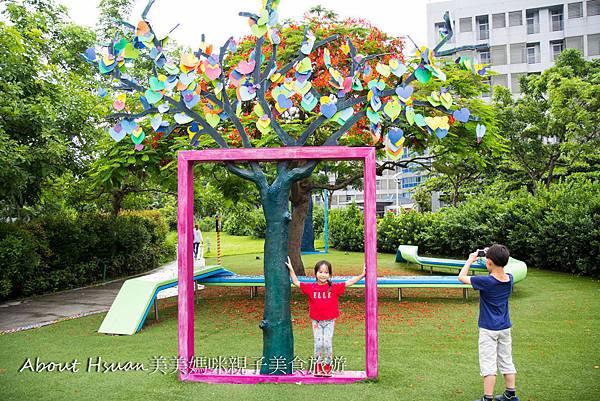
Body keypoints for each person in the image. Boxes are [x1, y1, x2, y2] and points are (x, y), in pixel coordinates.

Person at [286, 257, 366, 377]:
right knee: (318, 344)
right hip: (316, 322)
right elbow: (296, 282)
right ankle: (318, 367)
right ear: (316, 273)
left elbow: (349, 282)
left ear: (330, 275)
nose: (323, 275)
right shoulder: (311, 288)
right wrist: (291, 269)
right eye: (320, 272)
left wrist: (362, 274)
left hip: (329, 321)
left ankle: (327, 366)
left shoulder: (333, 287)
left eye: (326, 272)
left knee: (327, 343)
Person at [458, 244, 519, 401]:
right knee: (506, 360)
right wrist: (489, 253)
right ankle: (510, 394)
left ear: (489, 262)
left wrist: (470, 260)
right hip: (505, 327)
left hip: (488, 329)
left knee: (488, 365)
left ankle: (487, 398)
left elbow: (461, 277)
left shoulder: (486, 281)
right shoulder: (509, 279)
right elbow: (501, 267)